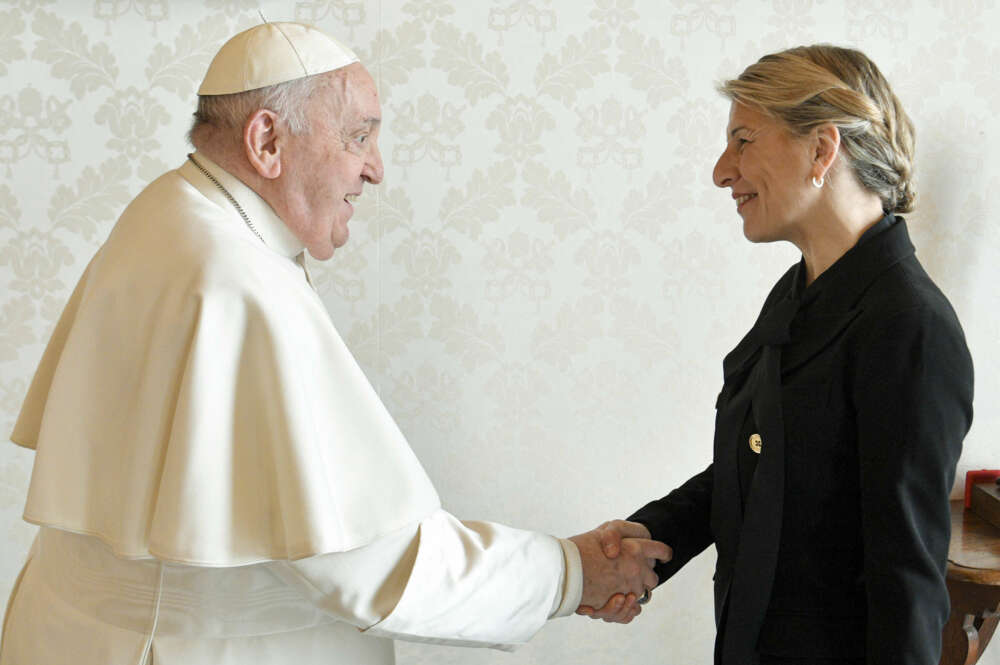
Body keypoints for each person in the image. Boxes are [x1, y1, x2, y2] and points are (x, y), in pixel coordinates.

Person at [0, 22, 671, 665]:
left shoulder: (170, 211)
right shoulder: (236, 279)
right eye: (357, 137)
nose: (374, 170)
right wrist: (567, 571)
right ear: (267, 141)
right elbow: (372, 564)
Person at [581, 44, 974, 665]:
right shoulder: (804, 291)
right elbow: (766, 466)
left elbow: (907, 586)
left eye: (743, 140)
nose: (721, 170)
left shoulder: (909, 326)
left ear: (822, 149)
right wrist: (653, 537)